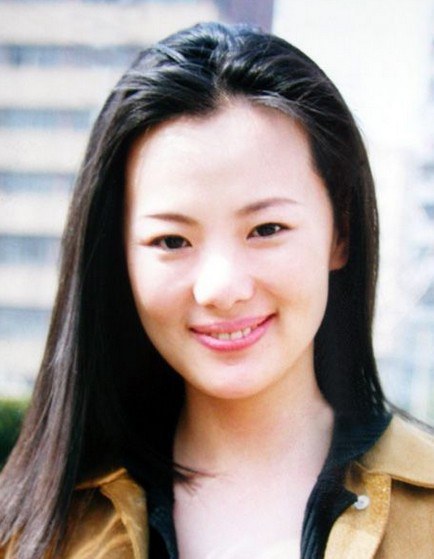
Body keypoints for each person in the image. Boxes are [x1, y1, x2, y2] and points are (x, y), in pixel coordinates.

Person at [0, 21, 433, 559]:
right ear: (119, 256)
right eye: (172, 240)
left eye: (266, 229)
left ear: (339, 233)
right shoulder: (34, 528)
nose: (222, 289)